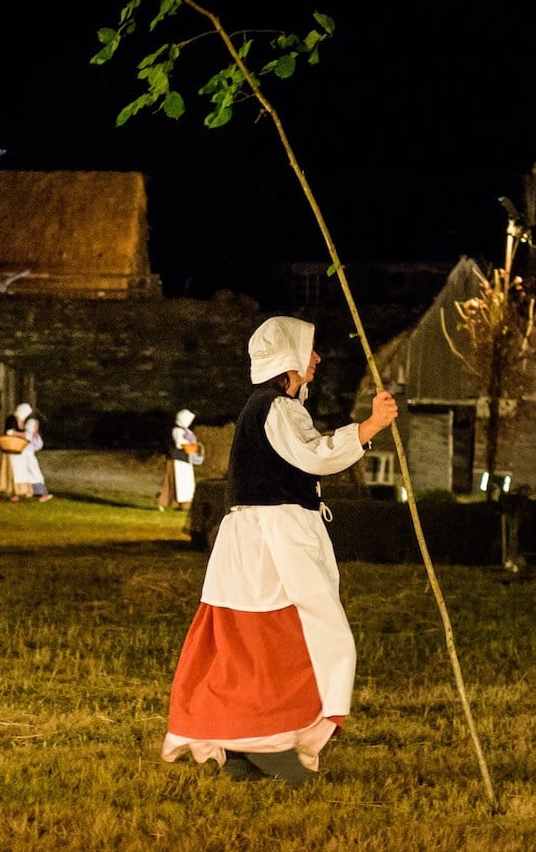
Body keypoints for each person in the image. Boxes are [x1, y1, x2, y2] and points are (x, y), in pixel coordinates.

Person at [161, 315, 398, 787]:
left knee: (258, 644)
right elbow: (316, 455)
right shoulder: (278, 409)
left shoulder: (270, 407)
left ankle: (249, 748)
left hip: (254, 538)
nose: (318, 358)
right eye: (309, 350)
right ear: (288, 358)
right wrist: (371, 425)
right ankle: (274, 746)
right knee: (305, 640)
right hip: (273, 541)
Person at [156, 408, 202, 511]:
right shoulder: (177, 430)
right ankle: (167, 502)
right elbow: (180, 443)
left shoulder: (187, 431)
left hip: (186, 459)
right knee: (176, 482)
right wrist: (189, 445)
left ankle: (184, 504)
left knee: (186, 483)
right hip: (177, 460)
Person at [6, 402, 50, 502]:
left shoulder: (32, 435)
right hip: (19, 456)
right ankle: (14, 494)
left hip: (28, 458)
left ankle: (40, 493)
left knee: (34, 475)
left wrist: (34, 435)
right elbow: (10, 433)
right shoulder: (14, 421)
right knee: (18, 475)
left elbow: (38, 446)